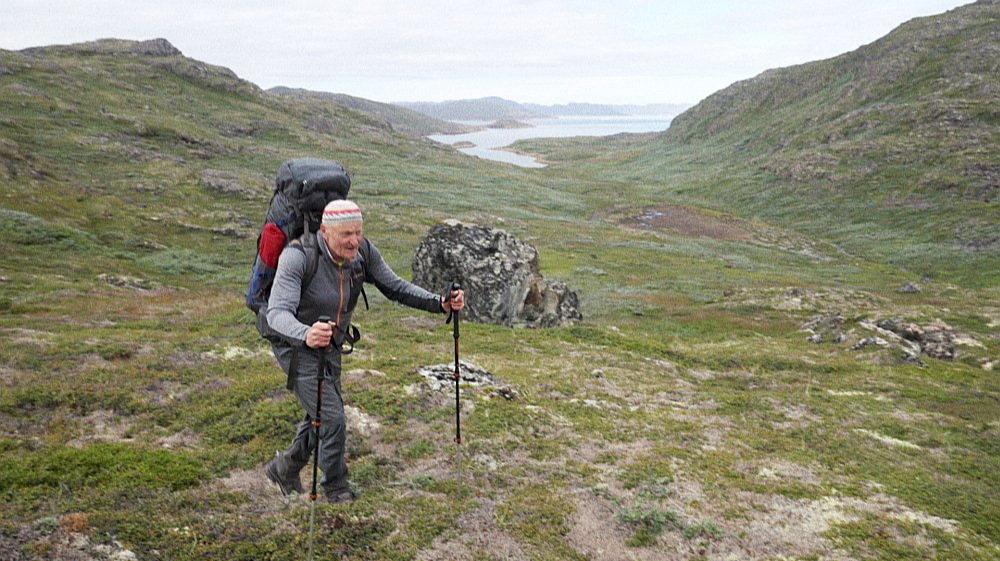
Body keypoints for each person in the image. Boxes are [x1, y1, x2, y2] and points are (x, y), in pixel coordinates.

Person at [263, 199, 465, 502]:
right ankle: (336, 491)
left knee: (320, 411)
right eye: (346, 234)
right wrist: (306, 334)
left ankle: (285, 468)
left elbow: (395, 287)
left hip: (330, 344)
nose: (354, 240)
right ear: (325, 232)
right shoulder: (298, 256)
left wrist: (439, 303)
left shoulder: (363, 253)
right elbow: (276, 314)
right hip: (296, 345)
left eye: (358, 232)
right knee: (332, 417)